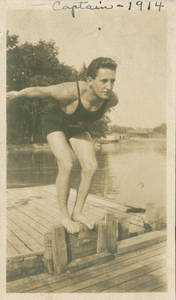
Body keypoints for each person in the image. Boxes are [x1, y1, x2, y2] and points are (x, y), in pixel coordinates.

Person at [7, 57, 119, 234]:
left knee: (91, 166)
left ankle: (78, 212)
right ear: (89, 80)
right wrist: (17, 94)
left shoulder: (111, 99)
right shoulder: (69, 91)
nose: (109, 87)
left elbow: (91, 116)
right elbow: (40, 91)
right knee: (66, 163)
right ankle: (65, 216)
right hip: (54, 122)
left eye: (112, 81)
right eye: (104, 81)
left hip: (77, 126)